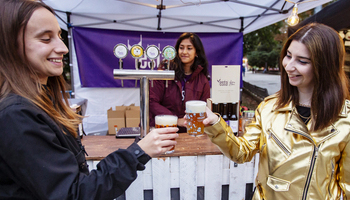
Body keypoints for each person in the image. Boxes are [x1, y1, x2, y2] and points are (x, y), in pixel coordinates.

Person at [0, 0, 178, 199]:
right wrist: (138, 152)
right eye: (45, 39)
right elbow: (74, 194)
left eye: (59, 36)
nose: (63, 48)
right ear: (10, 44)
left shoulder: (40, 100)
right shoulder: (16, 115)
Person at [201, 23, 350, 199]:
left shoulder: (345, 119)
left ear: (325, 66)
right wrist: (215, 125)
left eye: (302, 61)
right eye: (288, 56)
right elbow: (241, 152)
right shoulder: (269, 107)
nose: (288, 66)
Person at [149, 32, 210, 133]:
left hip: (188, 132)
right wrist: (175, 120)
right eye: (181, 48)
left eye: (189, 48)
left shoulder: (202, 80)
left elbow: (204, 108)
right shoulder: (165, 71)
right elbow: (151, 101)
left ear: (197, 52)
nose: (184, 52)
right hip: (161, 129)